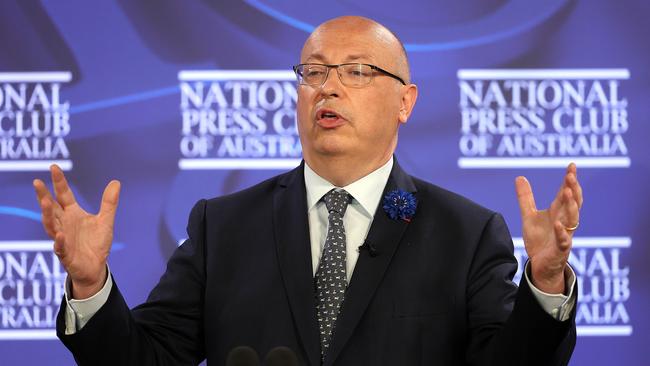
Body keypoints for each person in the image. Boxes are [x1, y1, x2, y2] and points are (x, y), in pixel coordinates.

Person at [33, 16, 581, 366]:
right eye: (313, 72)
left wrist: (546, 281)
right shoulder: (221, 227)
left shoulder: (465, 233)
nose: (330, 86)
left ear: (406, 102)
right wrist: (90, 285)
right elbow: (145, 361)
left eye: (358, 71)